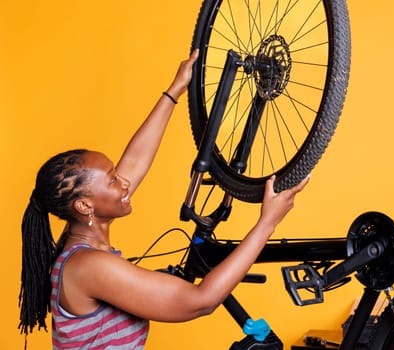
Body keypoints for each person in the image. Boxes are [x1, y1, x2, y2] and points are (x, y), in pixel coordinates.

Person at [18, 49, 310, 349]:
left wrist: (175, 90)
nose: (124, 183)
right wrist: (267, 223)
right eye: (112, 179)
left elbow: (135, 162)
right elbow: (201, 302)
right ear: (84, 206)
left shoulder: (79, 240)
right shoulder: (89, 266)